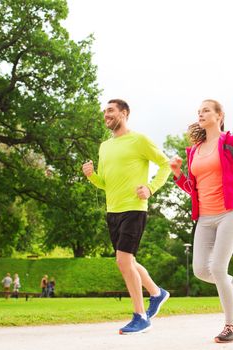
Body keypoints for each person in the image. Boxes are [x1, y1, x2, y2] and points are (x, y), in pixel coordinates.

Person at [169, 99, 233, 343]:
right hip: (204, 218)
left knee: (217, 268)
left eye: (206, 110)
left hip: (229, 213)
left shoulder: (229, 142)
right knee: (201, 270)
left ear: (219, 115)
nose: (200, 114)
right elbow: (194, 189)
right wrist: (178, 174)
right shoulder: (194, 151)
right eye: (198, 111)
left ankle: (231, 326)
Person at [82, 99, 172, 334]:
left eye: (110, 110)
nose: (106, 115)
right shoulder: (104, 147)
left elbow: (165, 165)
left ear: (124, 113)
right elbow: (105, 183)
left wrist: (150, 188)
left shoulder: (139, 140)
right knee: (128, 261)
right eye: (104, 112)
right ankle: (157, 293)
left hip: (134, 208)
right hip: (113, 211)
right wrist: (92, 176)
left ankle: (140, 316)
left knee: (123, 261)